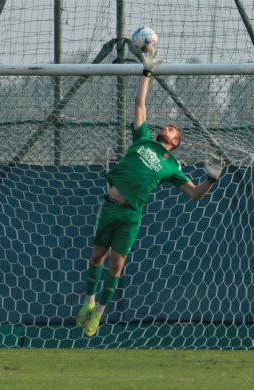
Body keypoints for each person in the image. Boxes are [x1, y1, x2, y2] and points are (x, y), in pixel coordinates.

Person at [75, 49, 224, 337]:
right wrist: (147, 72)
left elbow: (194, 194)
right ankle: (88, 304)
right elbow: (139, 103)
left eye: (172, 129)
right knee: (96, 258)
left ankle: (99, 316)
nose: (166, 127)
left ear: (175, 143)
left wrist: (212, 179)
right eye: (167, 125)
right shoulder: (142, 139)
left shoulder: (172, 167)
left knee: (117, 266)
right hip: (110, 206)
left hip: (131, 216)